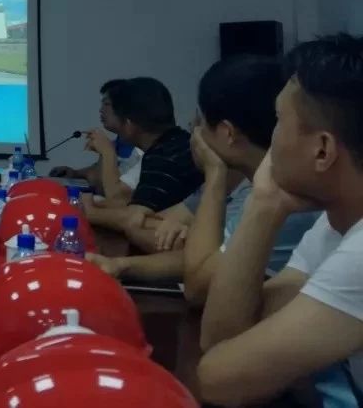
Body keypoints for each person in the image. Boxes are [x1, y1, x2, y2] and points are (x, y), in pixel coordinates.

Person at [198, 35, 363, 406]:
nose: (270, 138)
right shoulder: (334, 223)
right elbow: (226, 337)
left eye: (278, 120)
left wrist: (263, 198)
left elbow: (219, 381)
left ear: (322, 150)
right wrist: (266, 205)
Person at [90, 56, 318, 292]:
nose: (193, 130)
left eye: (200, 121)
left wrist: (214, 173)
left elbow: (199, 284)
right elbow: (204, 259)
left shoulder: (283, 198)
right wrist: (119, 265)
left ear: (227, 133)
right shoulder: (257, 185)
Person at [83, 77, 203, 250]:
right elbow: (140, 214)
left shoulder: (164, 155)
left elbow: (132, 216)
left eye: (108, 105)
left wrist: (90, 212)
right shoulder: (174, 143)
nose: (101, 110)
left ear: (129, 124)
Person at [49, 79, 143, 202]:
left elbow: (113, 194)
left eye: (106, 104)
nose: (101, 110)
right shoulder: (118, 142)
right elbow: (98, 175)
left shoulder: (141, 150)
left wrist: (107, 152)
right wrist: (75, 173)